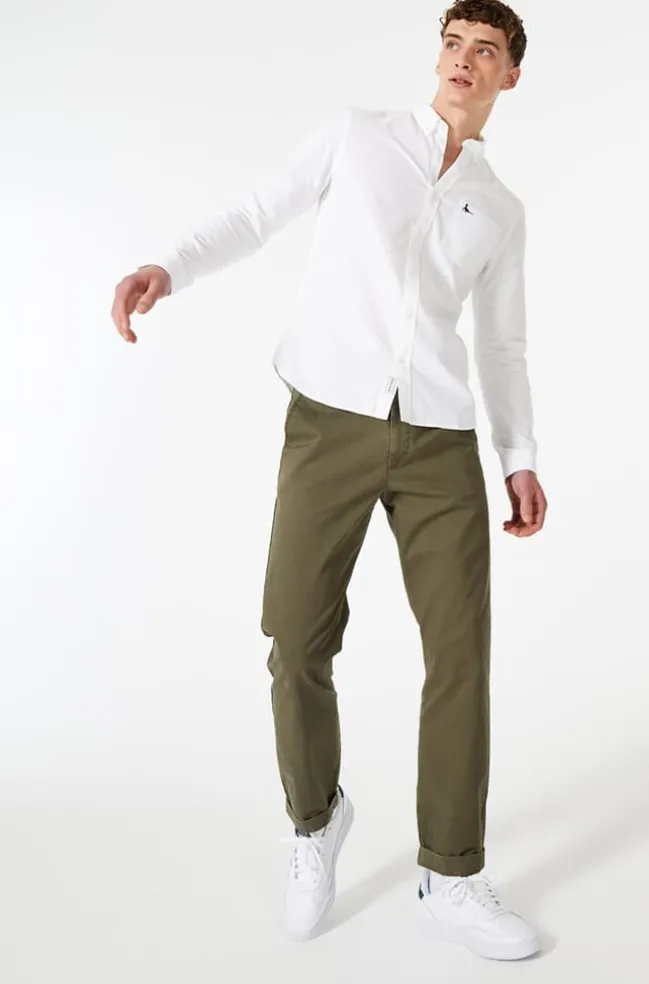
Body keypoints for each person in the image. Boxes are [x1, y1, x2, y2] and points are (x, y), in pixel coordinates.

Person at [110, 0, 547, 962]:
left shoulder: (499, 209)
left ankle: (452, 873)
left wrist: (517, 458)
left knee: (461, 656)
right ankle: (316, 821)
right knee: (295, 638)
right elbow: (256, 215)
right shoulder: (358, 137)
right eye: (453, 43)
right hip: (329, 424)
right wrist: (169, 268)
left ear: (510, 75)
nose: (463, 61)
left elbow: (502, 344)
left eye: (485, 51)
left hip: (439, 442)